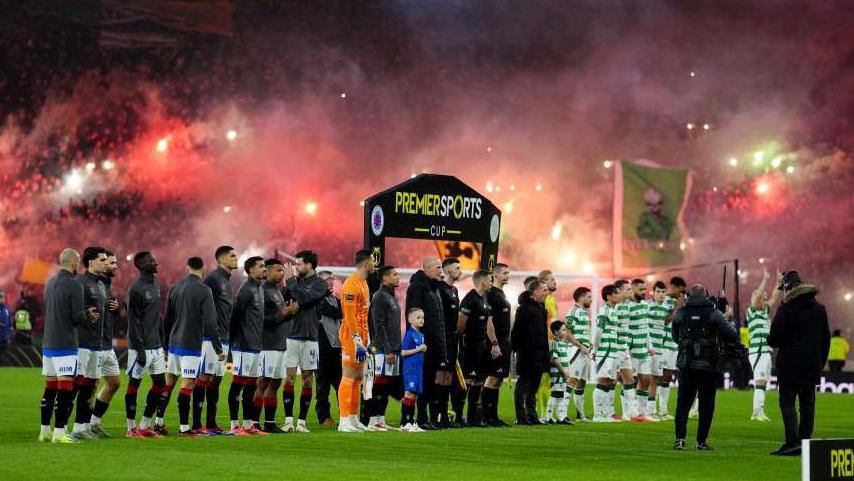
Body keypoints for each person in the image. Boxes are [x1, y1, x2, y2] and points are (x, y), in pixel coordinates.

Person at [768, 271, 831, 456]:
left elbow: (774, 338)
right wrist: (819, 363)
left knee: (787, 402)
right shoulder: (820, 309)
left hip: (789, 365)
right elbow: (825, 340)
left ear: (788, 287)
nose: (783, 293)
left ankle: (792, 442)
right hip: (811, 366)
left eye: (784, 289)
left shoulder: (787, 308)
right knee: (808, 404)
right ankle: (805, 442)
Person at [672, 284, 739, 451]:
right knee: (706, 405)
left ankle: (680, 439)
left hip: (686, 365)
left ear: (688, 296)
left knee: (683, 404)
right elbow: (732, 334)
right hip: (708, 366)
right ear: (707, 296)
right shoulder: (714, 313)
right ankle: (701, 442)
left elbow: (675, 336)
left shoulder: (680, 313)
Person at [40, 249, 97, 443]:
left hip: (48, 342)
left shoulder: (49, 283)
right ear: (73, 263)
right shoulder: (75, 285)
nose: (79, 266)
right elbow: (75, 317)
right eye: (78, 262)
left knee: (50, 388)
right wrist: (87, 315)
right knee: (65, 389)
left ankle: (44, 431)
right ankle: (59, 434)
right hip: (65, 343)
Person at [162, 256, 223, 437]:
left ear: (187, 268)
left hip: (174, 343)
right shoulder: (204, 290)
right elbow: (211, 322)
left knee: (169, 382)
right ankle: (184, 428)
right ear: (202, 268)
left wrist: (166, 345)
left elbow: (167, 319)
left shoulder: (175, 287)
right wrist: (218, 347)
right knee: (187, 384)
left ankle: (157, 421)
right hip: (191, 344)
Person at [282, 250, 329, 433]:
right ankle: (288, 421)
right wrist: (289, 286)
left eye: (300, 264)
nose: (296, 267)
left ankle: (301, 422)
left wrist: (291, 281)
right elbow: (284, 299)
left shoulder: (320, 284)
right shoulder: (294, 283)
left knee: (308, 380)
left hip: (310, 337)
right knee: (290, 378)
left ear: (310, 265)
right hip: (291, 335)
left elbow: (304, 298)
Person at [124, 251, 167, 438]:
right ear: (141, 265)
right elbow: (133, 322)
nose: (155, 262)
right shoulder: (135, 289)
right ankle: (130, 428)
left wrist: (161, 340)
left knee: (160, 384)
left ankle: (145, 424)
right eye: (151, 261)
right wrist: (140, 349)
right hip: (140, 348)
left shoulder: (155, 284)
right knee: (134, 384)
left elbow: (154, 317)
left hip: (156, 346)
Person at [404, 258, 447, 430]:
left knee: (430, 382)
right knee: (422, 382)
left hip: (434, 343)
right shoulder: (417, 287)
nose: (440, 270)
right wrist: (416, 343)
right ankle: (420, 418)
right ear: (427, 269)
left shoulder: (434, 288)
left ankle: (428, 418)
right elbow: (413, 316)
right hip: (422, 345)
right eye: (438, 267)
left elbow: (438, 321)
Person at [228, 256, 267, 435]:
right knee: (238, 384)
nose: (264, 269)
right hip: (243, 345)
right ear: (251, 270)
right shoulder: (245, 289)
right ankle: (234, 425)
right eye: (261, 266)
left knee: (251, 385)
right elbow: (235, 317)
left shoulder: (259, 288)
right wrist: (234, 342)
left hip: (255, 345)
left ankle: (248, 424)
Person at [72, 246, 109, 439]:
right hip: (82, 343)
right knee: (75, 386)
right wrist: (85, 314)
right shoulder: (80, 283)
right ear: (91, 262)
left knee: (91, 386)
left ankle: (82, 427)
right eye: (102, 260)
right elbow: (73, 311)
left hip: (97, 344)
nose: (106, 263)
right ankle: (62, 428)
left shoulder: (101, 285)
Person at [258, 258, 298, 433]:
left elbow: (280, 317)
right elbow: (260, 320)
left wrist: (289, 313)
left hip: (280, 343)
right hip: (267, 344)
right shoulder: (262, 290)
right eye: (278, 270)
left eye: (283, 270)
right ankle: (252, 422)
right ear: (267, 271)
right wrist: (283, 313)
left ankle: (269, 422)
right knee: (263, 383)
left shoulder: (276, 291)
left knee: (275, 384)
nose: (282, 274)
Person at [201, 245, 238, 434]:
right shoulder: (213, 278)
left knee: (215, 381)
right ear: (221, 259)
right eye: (232, 256)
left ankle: (211, 423)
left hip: (224, 337)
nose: (236, 258)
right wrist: (211, 334)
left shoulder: (226, 280)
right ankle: (197, 425)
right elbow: (203, 307)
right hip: (210, 338)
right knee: (204, 379)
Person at [337, 250, 375, 433]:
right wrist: (357, 341)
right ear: (366, 263)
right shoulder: (351, 284)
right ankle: (343, 420)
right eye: (373, 261)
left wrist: (366, 340)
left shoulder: (364, 283)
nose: (375, 264)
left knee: (358, 378)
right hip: (352, 337)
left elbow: (364, 315)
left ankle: (353, 418)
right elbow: (350, 316)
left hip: (363, 337)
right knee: (349, 375)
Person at [90, 251, 122, 437]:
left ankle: (94, 421)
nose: (115, 266)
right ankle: (82, 425)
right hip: (95, 344)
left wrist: (116, 309)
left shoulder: (107, 285)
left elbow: (107, 313)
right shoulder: (94, 285)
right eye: (111, 262)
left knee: (114, 382)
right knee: (90, 385)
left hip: (106, 344)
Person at [457, 269, 495, 427]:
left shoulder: (484, 299)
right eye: (490, 280)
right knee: (466, 381)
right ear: (482, 282)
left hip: (482, 345)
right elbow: (460, 324)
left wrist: (493, 343)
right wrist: (461, 341)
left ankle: (473, 418)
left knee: (479, 380)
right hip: (470, 345)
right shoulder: (469, 299)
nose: (491, 282)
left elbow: (487, 323)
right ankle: (458, 417)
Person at [367, 265, 402, 431]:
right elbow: (378, 325)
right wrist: (387, 349)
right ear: (385, 278)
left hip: (392, 349)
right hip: (382, 349)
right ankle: (373, 421)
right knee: (379, 385)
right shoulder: (380, 296)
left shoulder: (391, 296)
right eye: (394, 275)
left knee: (386, 385)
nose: (398, 277)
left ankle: (380, 419)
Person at [512, 280, 550, 425]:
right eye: (544, 290)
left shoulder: (541, 309)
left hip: (540, 353)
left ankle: (532, 415)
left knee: (534, 386)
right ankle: (521, 417)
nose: (546, 293)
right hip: (527, 353)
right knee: (524, 384)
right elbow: (517, 331)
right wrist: (517, 349)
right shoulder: (524, 309)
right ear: (535, 291)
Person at [748, 270, 782, 422]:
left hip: (766, 351)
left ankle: (759, 411)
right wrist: (764, 279)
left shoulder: (765, 311)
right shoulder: (752, 311)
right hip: (758, 351)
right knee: (760, 382)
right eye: (763, 298)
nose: (766, 300)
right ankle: (756, 413)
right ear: (756, 299)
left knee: (763, 383)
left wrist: (778, 283)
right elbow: (756, 298)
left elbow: (775, 297)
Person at [483, 263, 512, 427]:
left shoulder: (501, 294)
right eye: (504, 273)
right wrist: (494, 343)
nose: (507, 276)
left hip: (504, 342)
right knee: (492, 378)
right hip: (496, 343)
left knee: (499, 380)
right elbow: (489, 321)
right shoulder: (492, 294)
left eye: (508, 273)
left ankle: (493, 416)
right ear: (495, 275)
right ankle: (487, 417)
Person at [315, 270, 343, 426]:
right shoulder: (318, 300)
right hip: (322, 349)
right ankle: (324, 417)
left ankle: (344, 414)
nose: (331, 282)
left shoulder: (334, 299)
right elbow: (334, 313)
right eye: (327, 279)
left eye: (332, 279)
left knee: (340, 384)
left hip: (336, 348)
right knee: (323, 386)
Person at [436, 257, 462, 427]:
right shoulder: (440, 289)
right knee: (440, 376)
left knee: (448, 376)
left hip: (452, 339)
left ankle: (444, 413)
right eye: (457, 268)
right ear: (447, 271)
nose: (460, 271)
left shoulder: (454, 290)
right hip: (442, 338)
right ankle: (438, 414)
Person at [627, 279, 657, 422]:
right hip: (631, 351)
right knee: (629, 382)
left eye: (645, 289)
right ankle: (629, 413)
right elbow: (624, 329)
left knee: (646, 380)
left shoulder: (645, 305)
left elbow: (646, 328)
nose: (644, 292)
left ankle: (641, 412)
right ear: (632, 288)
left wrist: (650, 345)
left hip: (643, 350)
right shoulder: (626, 306)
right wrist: (626, 348)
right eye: (640, 290)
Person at [590, 284, 621, 423]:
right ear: (609, 296)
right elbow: (598, 332)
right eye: (616, 293)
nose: (619, 295)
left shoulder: (613, 310)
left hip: (612, 351)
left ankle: (607, 414)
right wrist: (596, 351)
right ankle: (598, 415)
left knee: (610, 381)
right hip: (605, 351)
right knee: (602, 380)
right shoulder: (604, 311)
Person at [564, 287, 592, 422]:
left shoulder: (584, 312)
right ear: (581, 297)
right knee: (572, 380)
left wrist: (588, 343)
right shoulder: (573, 311)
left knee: (582, 383)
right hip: (575, 351)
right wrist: (580, 346)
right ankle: (562, 414)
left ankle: (580, 414)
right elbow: (567, 333)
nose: (591, 299)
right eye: (589, 297)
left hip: (584, 352)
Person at [646, 281, 671, 420]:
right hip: (648, 349)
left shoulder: (667, 309)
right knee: (644, 378)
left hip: (660, 349)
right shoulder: (648, 307)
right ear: (653, 293)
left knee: (655, 378)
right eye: (658, 292)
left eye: (663, 292)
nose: (661, 294)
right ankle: (640, 409)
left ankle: (651, 410)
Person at [400, 308, 427, 432]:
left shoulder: (420, 335)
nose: (421, 320)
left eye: (422, 317)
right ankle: (405, 422)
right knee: (409, 394)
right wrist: (419, 349)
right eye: (418, 317)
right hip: (410, 370)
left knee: (414, 395)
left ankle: (411, 421)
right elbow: (403, 352)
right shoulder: (410, 334)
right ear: (410, 319)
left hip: (418, 370)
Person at [613, 279, 636, 421]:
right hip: (615, 348)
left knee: (628, 379)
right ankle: (605, 412)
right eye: (628, 289)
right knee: (611, 381)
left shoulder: (627, 306)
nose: (630, 291)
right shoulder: (613, 307)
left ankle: (629, 413)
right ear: (619, 290)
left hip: (624, 348)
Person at [546, 321, 574, 424]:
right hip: (557, 374)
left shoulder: (563, 344)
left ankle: (561, 417)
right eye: (563, 330)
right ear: (556, 332)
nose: (566, 332)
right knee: (555, 394)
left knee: (561, 394)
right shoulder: (554, 344)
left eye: (565, 330)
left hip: (563, 374)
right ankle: (548, 416)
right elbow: (555, 359)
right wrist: (563, 371)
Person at [0, 291, 11, 362]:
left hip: (5, 336)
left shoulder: (6, 310)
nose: (3, 299)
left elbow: (9, 320)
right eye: (1, 298)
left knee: (3, 351)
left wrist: (10, 326)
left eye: (4, 298)